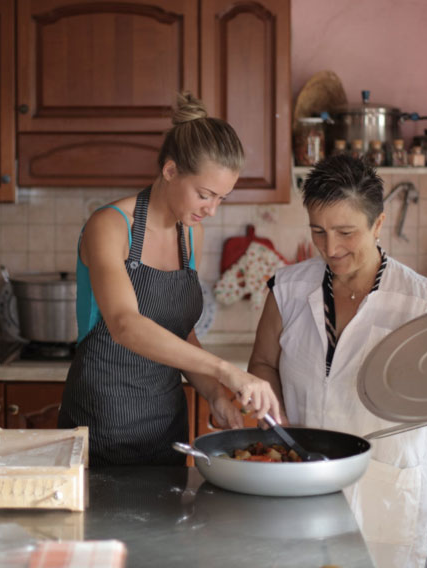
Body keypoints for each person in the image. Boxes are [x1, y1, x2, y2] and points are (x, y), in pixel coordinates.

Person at [248, 153, 427, 567]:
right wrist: (274, 415)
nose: (331, 248)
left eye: (345, 232)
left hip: (386, 487)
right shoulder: (286, 288)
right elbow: (264, 364)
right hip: (302, 478)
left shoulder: (422, 302)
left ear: (378, 224)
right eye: (318, 231)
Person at [58, 92, 281, 466]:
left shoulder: (190, 234)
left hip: (166, 427)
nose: (211, 210)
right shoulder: (110, 226)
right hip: (101, 424)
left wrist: (215, 395)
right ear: (171, 170)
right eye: (205, 195)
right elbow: (126, 325)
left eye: (221, 198)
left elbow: (180, 333)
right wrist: (226, 371)